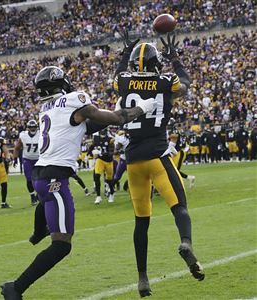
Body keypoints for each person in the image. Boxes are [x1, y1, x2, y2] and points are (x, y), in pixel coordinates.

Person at [0, 65, 157, 299]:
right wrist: (144, 107)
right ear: (62, 83)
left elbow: (89, 124)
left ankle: (37, 232)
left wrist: (115, 107)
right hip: (55, 177)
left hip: (40, 176)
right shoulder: (74, 99)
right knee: (62, 245)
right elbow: (116, 119)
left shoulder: (47, 108)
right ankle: (16, 288)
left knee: (45, 200)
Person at [113, 31, 205, 297]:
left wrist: (124, 54)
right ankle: (186, 243)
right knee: (180, 207)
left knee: (141, 221)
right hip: (158, 154)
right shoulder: (165, 80)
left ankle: (143, 278)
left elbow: (118, 75)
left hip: (132, 162)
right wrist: (175, 58)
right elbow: (185, 84)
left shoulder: (124, 80)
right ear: (156, 64)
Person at [13, 119, 40, 205]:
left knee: (40, 179)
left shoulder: (41, 134)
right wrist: (15, 159)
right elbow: (17, 148)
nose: (32, 129)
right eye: (31, 127)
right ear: (28, 128)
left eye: (34, 127)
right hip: (27, 159)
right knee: (29, 179)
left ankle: (38, 194)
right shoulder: (23, 136)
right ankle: (32, 196)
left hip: (39, 159)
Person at [93, 128, 115, 204]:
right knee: (96, 176)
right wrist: (91, 152)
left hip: (108, 161)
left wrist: (103, 153)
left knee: (109, 180)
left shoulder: (110, 139)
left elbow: (112, 151)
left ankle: (112, 193)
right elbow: (93, 146)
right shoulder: (96, 138)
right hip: (100, 160)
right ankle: (98, 196)